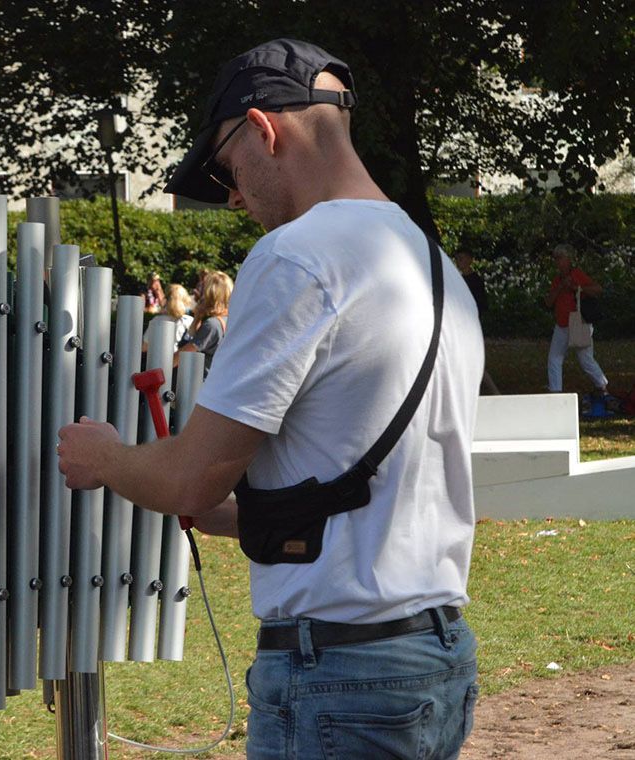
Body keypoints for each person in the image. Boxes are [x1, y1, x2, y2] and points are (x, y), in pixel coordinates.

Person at [58, 39, 482, 760]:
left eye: (227, 168)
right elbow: (358, 494)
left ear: (262, 128)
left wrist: (104, 458)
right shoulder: (429, 262)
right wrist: (217, 505)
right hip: (431, 662)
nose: (232, 193)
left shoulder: (297, 257)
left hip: (340, 679)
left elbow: (192, 474)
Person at [543, 243, 607, 394]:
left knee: (585, 359)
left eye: (560, 258)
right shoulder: (557, 280)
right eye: (556, 258)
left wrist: (577, 288)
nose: (557, 262)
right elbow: (548, 302)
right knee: (554, 358)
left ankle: (602, 385)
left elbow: (598, 289)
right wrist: (560, 288)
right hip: (562, 324)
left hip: (579, 323)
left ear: (568, 259)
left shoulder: (577, 274)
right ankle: (555, 391)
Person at [455, 252, 500, 395]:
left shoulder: (475, 280)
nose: (458, 262)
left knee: (474, 360)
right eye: (457, 259)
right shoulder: (458, 280)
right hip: (461, 324)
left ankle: (492, 391)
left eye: (461, 258)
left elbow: (480, 305)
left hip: (470, 324)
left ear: (469, 260)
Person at [175, 270, 232, 373]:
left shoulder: (212, 325)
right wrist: (197, 318)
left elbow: (180, 357)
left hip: (199, 386)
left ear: (210, 294)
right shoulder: (230, 320)